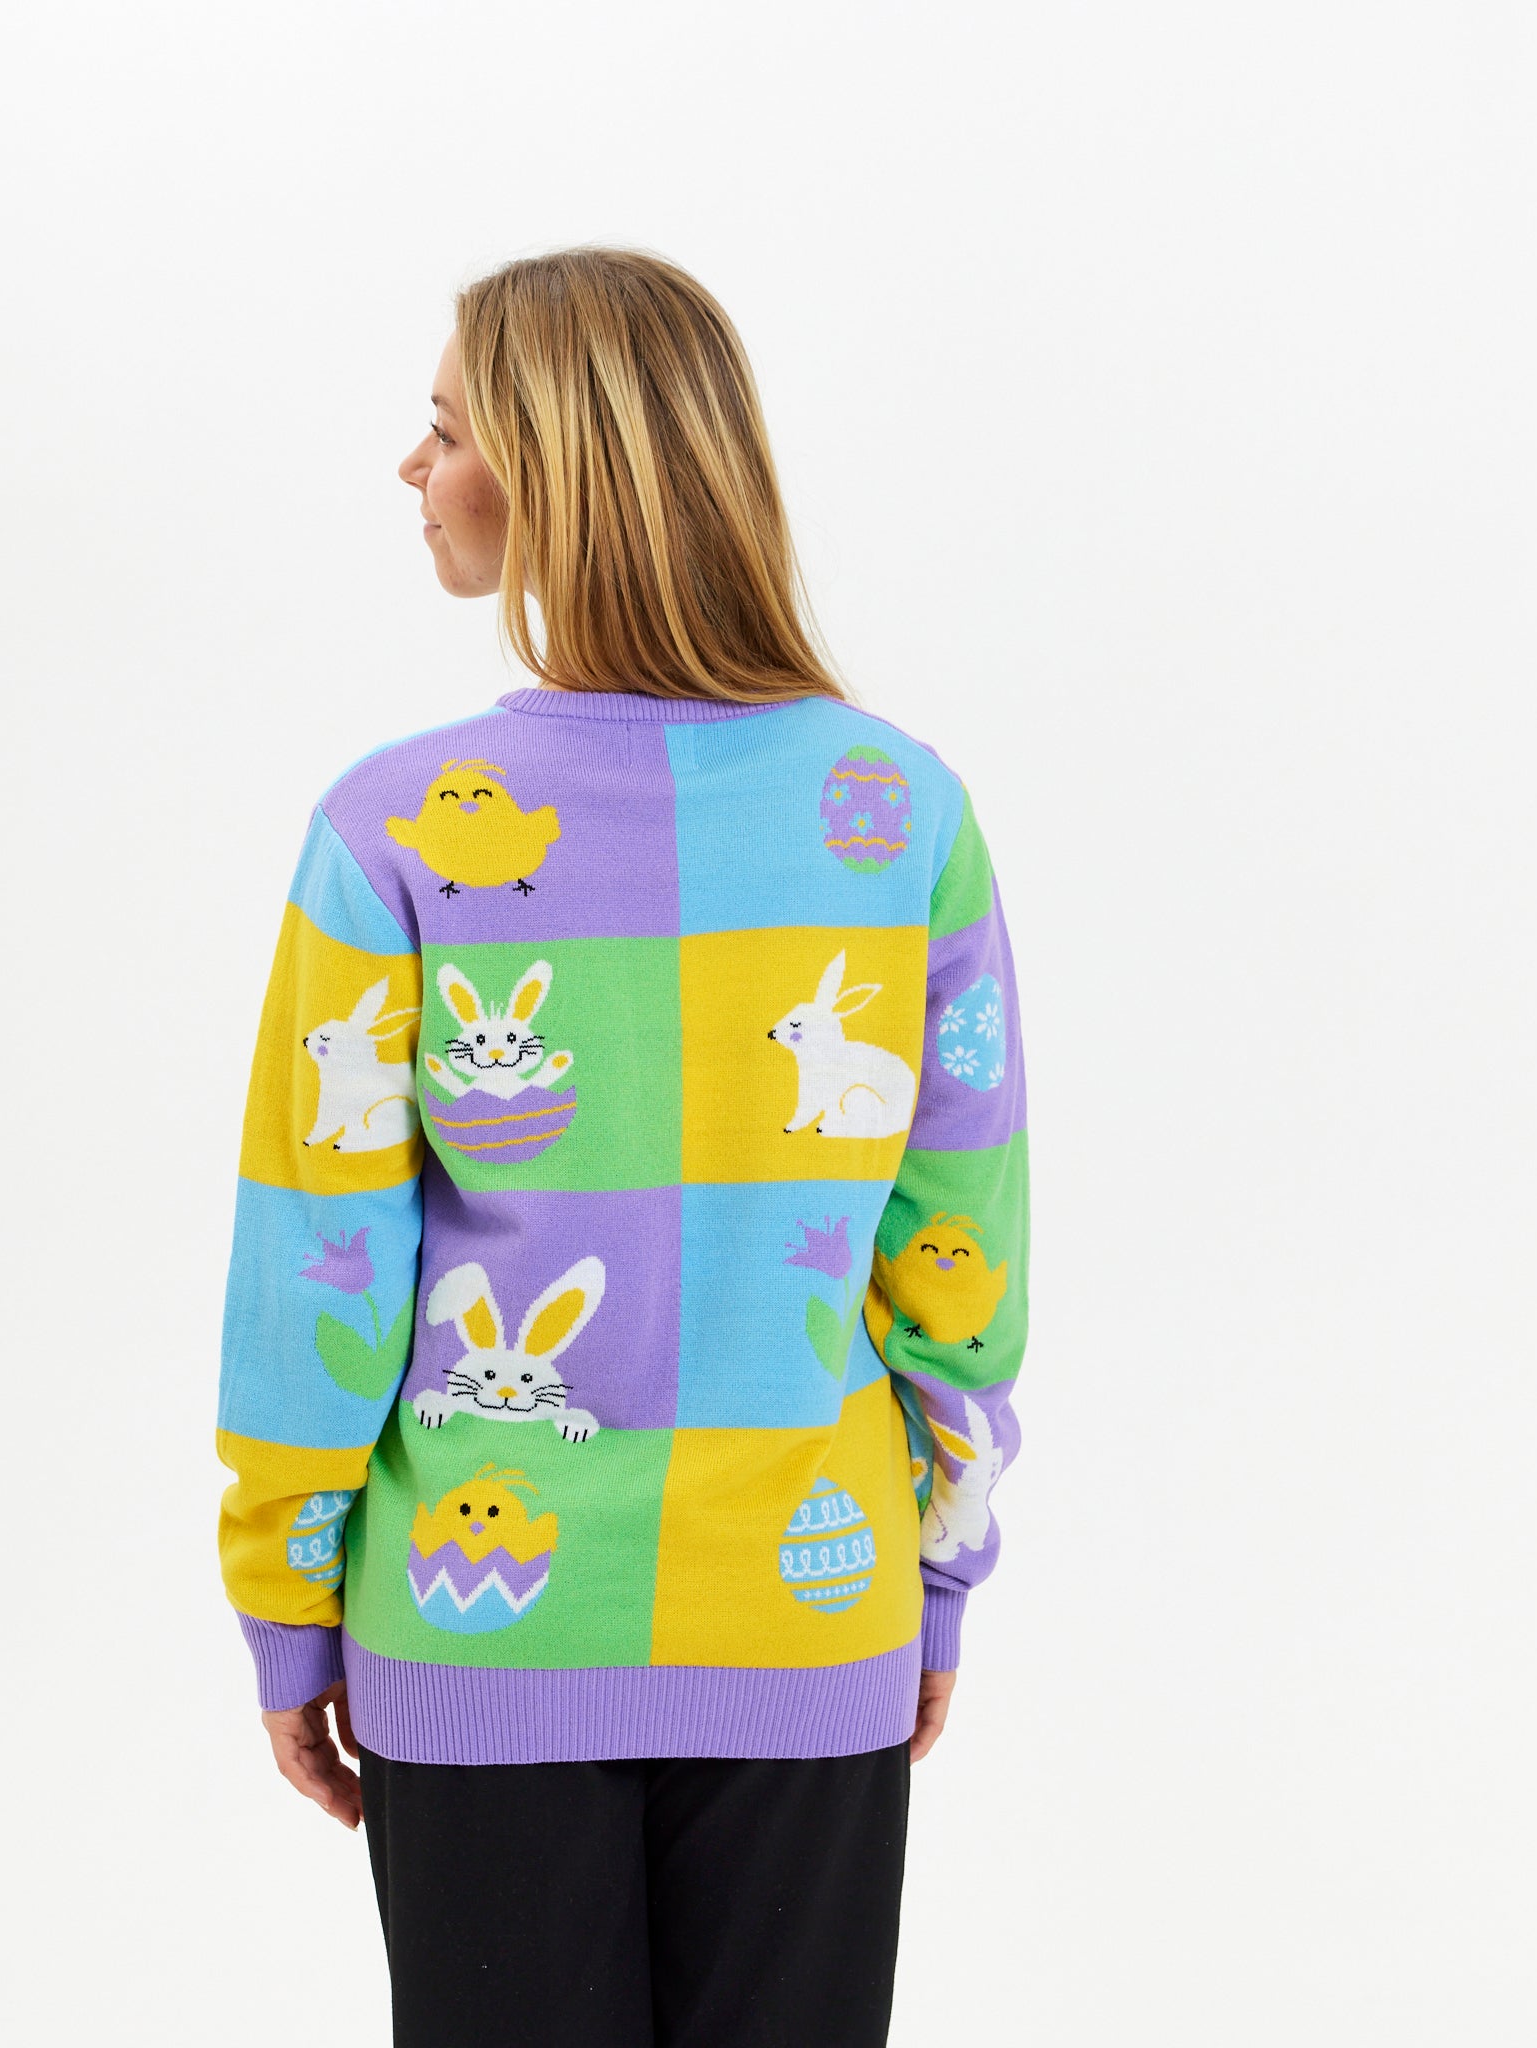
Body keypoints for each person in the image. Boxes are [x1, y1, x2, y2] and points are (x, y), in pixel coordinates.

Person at [215, 247, 1028, 2048]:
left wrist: (289, 1599)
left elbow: (318, 1259)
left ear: (552, 470)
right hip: (813, 1602)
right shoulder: (896, 814)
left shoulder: (394, 826)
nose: (413, 467)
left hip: (479, 1623)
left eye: (445, 431)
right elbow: (962, 1244)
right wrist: (938, 1564)